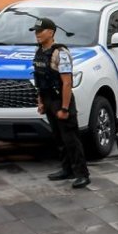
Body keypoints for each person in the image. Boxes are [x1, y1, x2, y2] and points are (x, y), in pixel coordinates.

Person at [32, 17, 90, 189]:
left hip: (60, 100)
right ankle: (67, 169)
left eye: (40, 31)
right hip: (48, 99)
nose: (37, 35)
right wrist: (41, 102)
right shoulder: (40, 52)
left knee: (71, 139)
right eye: (35, 31)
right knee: (58, 138)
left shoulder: (61, 53)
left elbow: (66, 82)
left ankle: (82, 174)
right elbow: (40, 79)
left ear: (51, 32)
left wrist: (64, 108)